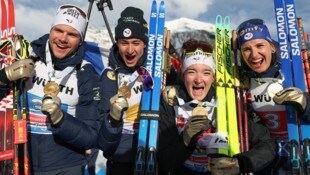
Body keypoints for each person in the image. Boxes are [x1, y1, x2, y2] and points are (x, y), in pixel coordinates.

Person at [0, 4, 100, 174]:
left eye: (72, 34)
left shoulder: (87, 75)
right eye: (58, 30)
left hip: (64, 166)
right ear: (51, 30)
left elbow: (91, 137)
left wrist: (60, 119)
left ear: (81, 40)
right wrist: (3, 77)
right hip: (18, 159)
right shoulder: (26, 55)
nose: (63, 38)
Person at [157, 39, 277, 175]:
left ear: (213, 78)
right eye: (191, 72)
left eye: (206, 73)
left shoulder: (229, 101)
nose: (198, 79)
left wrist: (241, 163)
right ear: (183, 75)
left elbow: (268, 144)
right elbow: (165, 162)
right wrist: (185, 139)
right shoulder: (172, 101)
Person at [236, 19, 310, 174]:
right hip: (270, 162)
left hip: (305, 155)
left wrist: (305, 102)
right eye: (246, 49)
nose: (254, 54)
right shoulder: (244, 85)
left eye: (259, 45)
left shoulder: (296, 71)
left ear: (272, 47)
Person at [96, 6, 149, 175]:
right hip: (120, 158)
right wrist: (113, 118)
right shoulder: (109, 75)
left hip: (153, 153)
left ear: (145, 44)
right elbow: (103, 137)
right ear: (117, 43)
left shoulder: (157, 70)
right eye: (124, 43)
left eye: (136, 43)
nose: (130, 50)